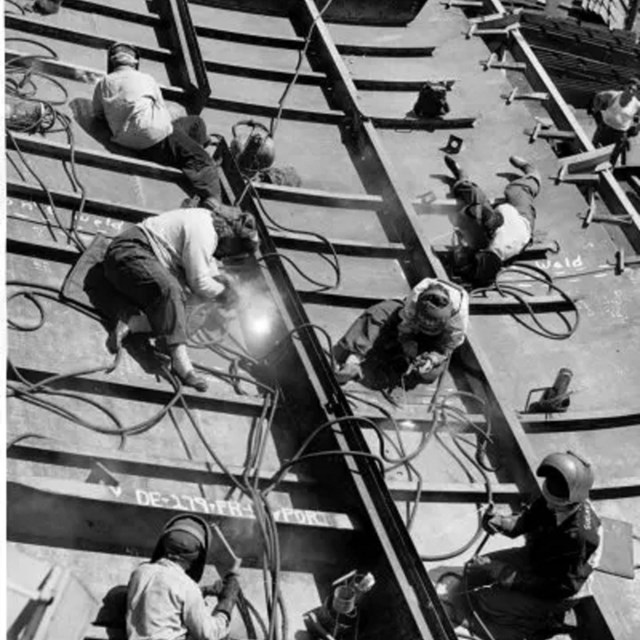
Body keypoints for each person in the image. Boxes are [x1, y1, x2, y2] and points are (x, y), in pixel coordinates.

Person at [103, 200, 259, 392]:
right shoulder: (204, 231)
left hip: (146, 267)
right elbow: (199, 282)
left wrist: (225, 286)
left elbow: (207, 278)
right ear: (230, 237)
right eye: (230, 251)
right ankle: (181, 363)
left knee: (195, 309)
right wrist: (225, 294)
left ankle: (133, 323)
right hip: (128, 252)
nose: (223, 256)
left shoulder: (211, 229)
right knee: (172, 290)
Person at [461, 451, 601, 640]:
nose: (549, 507)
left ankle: (539, 623)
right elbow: (526, 521)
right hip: (539, 558)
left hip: (557, 591)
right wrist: (501, 522)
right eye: (549, 500)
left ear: (574, 501)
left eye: (556, 505)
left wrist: (506, 574)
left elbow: (563, 588)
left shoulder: (581, 537)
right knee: (473, 570)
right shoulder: (556, 496)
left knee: (486, 601)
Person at [92, 42, 222, 202]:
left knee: (196, 122)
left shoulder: (102, 83)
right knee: (202, 160)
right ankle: (214, 204)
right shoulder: (147, 79)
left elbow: (98, 114)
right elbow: (161, 108)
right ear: (135, 62)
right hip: (156, 141)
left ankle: (193, 149)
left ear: (112, 62)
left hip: (127, 140)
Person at [333, 277, 469, 389]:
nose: (427, 325)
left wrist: (431, 360)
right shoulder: (414, 300)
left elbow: (446, 348)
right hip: (409, 323)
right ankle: (353, 361)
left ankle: (410, 365)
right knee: (380, 312)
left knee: (431, 373)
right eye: (424, 320)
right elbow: (404, 325)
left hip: (435, 340)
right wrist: (407, 340)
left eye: (432, 323)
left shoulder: (457, 322)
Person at [126, 514, 240, 640]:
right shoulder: (187, 587)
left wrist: (204, 591)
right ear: (197, 556)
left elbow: (164, 599)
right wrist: (226, 605)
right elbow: (210, 634)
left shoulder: (140, 573)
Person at [443, 154, 541, 287]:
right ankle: (531, 172)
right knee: (515, 190)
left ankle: (462, 178)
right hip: (522, 217)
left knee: (474, 192)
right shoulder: (496, 232)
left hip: (509, 224)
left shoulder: (494, 255)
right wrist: (467, 215)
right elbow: (482, 214)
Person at [591, 77, 640, 163]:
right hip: (605, 129)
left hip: (619, 134)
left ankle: (609, 173)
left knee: (612, 158)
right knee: (593, 151)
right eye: (629, 88)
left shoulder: (637, 105)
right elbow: (598, 96)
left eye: (634, 90)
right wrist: (596, 108)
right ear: (625, 86)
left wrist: (637, 128)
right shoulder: (613, 95)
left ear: (637, 92)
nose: (630, 91)